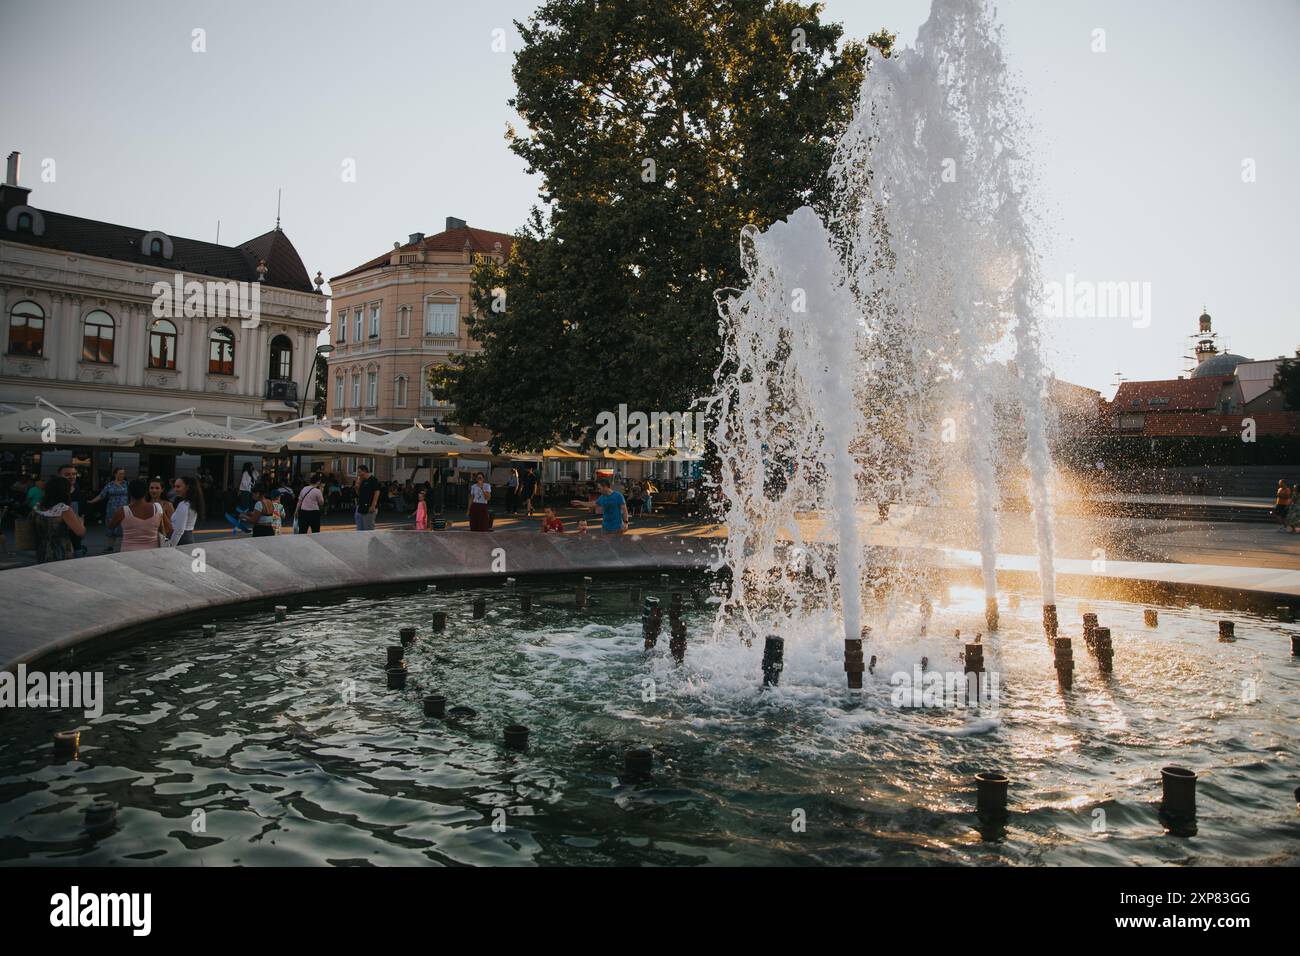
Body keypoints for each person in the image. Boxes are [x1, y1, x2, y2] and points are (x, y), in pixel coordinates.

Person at [33, 475, 86, 563]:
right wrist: (81, 522)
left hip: (42, 548)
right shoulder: (63, 509)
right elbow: (80, 532)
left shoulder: (38, 506)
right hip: (61, 549)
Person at [110, 477, 171, 552]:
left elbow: (111, 526)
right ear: (146, 492)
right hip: (153, 552)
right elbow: (169, 527)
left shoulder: (122, 511)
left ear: (129, 492)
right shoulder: (158, 508)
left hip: (128, 554)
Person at [89, 467, 131, 552]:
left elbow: (132, 495)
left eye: (123, 473)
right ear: (115, 474)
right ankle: (110, 546)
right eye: (120, 473)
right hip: (111, 509)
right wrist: (92, 501)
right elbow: (101, 495)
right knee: (111, 526)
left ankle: (123, 546)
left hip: (124, 508)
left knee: (124, 526)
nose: (122, 475)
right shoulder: (110, 485)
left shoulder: (126, 484)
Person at [58, 464, 87, 556]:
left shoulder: (80, 494)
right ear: (59, 476)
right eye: (67, 474)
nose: (71, 476)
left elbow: (82, 515)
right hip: (57, 541)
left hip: (75, 540)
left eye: (74, 474)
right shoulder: (53, 494)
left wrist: (80, 530)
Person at [168, 475, 205, 547]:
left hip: (181, 540)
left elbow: (179, 530)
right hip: (188, 537)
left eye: (178, 487)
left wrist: (170, 546)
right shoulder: (192, 503)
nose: (175, 489)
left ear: (187, 487)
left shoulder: (184, 505)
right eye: (174, 486)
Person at [354, 465, 381, 531]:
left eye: (360, 472)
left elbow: (377, 492)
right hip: (361, 507)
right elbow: (359, 494)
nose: (359, 474)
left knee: (368, 529)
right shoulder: (362, 481)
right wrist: (357, 488)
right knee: (360, 529)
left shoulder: (373, 479)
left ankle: (369, 541)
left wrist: (373, 505)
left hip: (369, 507)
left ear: (365, 471)